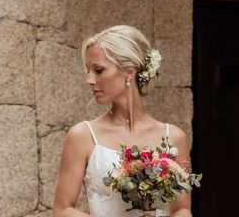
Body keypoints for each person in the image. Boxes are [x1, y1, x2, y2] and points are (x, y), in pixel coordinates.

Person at [52, 25, 192, 217]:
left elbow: (181, 210)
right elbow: (62, 210)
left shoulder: (174, 137)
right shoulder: (82, 136)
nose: (89, 80)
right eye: (88, 70)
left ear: (129, 72)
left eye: (98, 70)